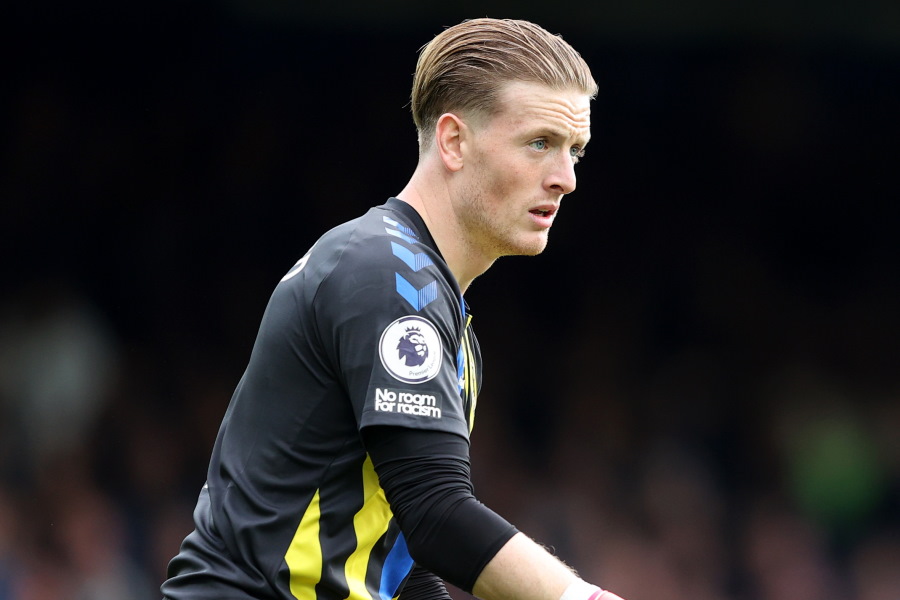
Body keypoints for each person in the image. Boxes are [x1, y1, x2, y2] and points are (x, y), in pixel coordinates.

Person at [162, 17, 626, 600]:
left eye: (575, 150)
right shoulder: (388, 276)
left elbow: (400, 557)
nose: (566, 178)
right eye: (540, 143)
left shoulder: (427, 296)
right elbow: (436, 512)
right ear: (453, 142)